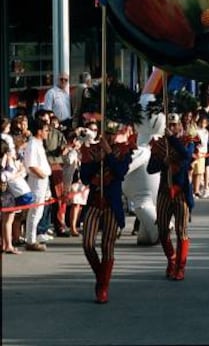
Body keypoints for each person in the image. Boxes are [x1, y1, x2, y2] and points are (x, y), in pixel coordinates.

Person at [80, 120, 135, 303]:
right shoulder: (92, 150)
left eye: (112, 134)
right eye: (107, 134)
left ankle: (103, 286)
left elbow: (120, 172)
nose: (110, 137)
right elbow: (85, 178)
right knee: (88, 244)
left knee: (107, 245)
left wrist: (109, 153)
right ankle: (100, 275)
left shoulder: (123, 151)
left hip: (112, 203)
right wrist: (96, 162)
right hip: (95, 201)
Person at [147, 112, 196, 281]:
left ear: (180, 126)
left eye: (175, 125)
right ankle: (172, 259)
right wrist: (163, 162)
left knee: (181, 230)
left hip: (181, 191)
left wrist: (173, 140)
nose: (173, 128)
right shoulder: (160, 145)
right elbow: (150, 168)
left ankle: (181, 267)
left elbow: (187, 156)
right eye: (170, 125)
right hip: (164, 190)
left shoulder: (187, 141)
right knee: (162, 230)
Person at [122, 96, 165, 245]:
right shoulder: (153, 143)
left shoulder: (144, 148)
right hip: (150, 188)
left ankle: (158, 227)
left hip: (143, 195)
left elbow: (129, 164)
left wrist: (119, 171)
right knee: (145, 206)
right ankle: (146, 232)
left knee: (143, 206)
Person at [23, 117, 52, 251]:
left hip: (43, 180)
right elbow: (32, 165)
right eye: (46, 130)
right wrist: (42, 176)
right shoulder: (32, 144)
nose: (48, 132)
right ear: (39, 131)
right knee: (35, 211)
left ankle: (32, 238)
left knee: (39, 211)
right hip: (37, 180)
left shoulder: (39, 144)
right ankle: (31, 240)